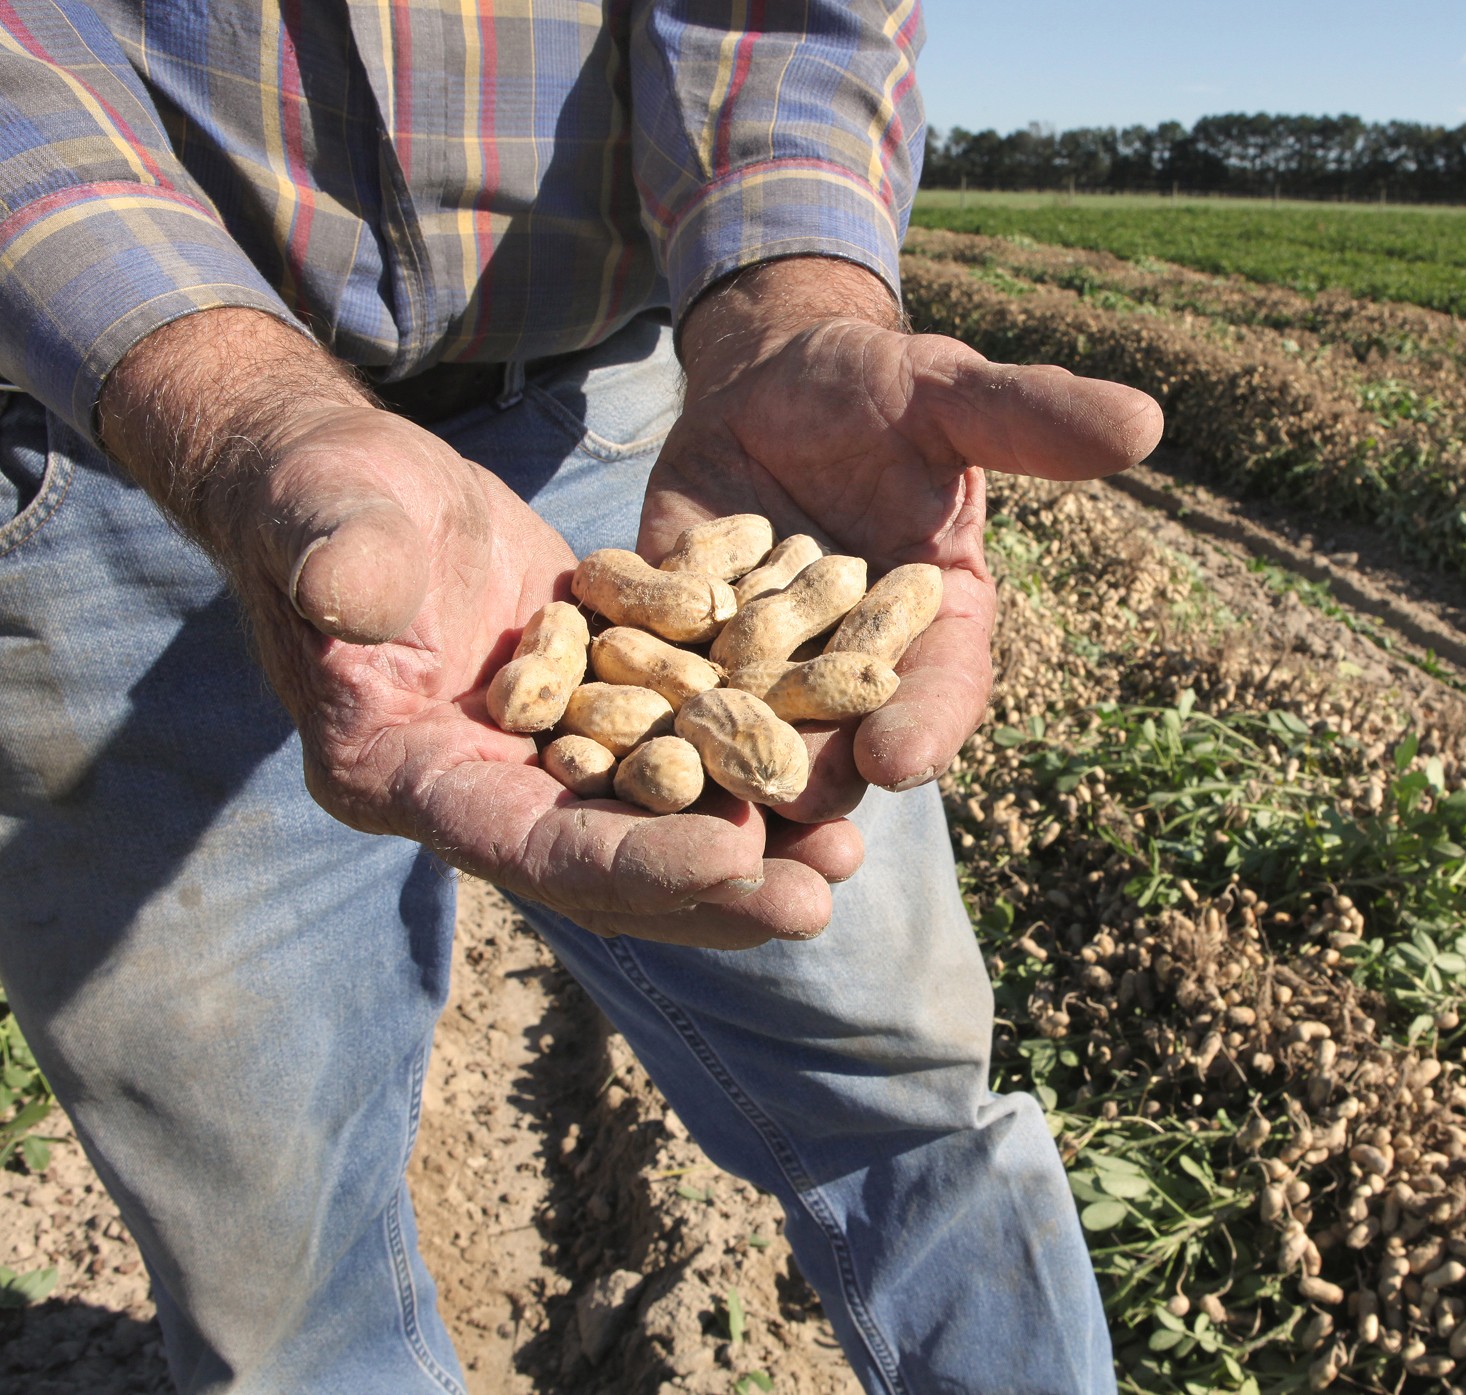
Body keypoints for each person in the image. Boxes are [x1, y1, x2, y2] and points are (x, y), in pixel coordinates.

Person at [0, 2, 1162, 1391]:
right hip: (118, 440)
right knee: (273, 1265)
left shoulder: (725, 592)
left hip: (634, 426)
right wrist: (240, 408)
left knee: (904, 1096)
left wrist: (790, 303)